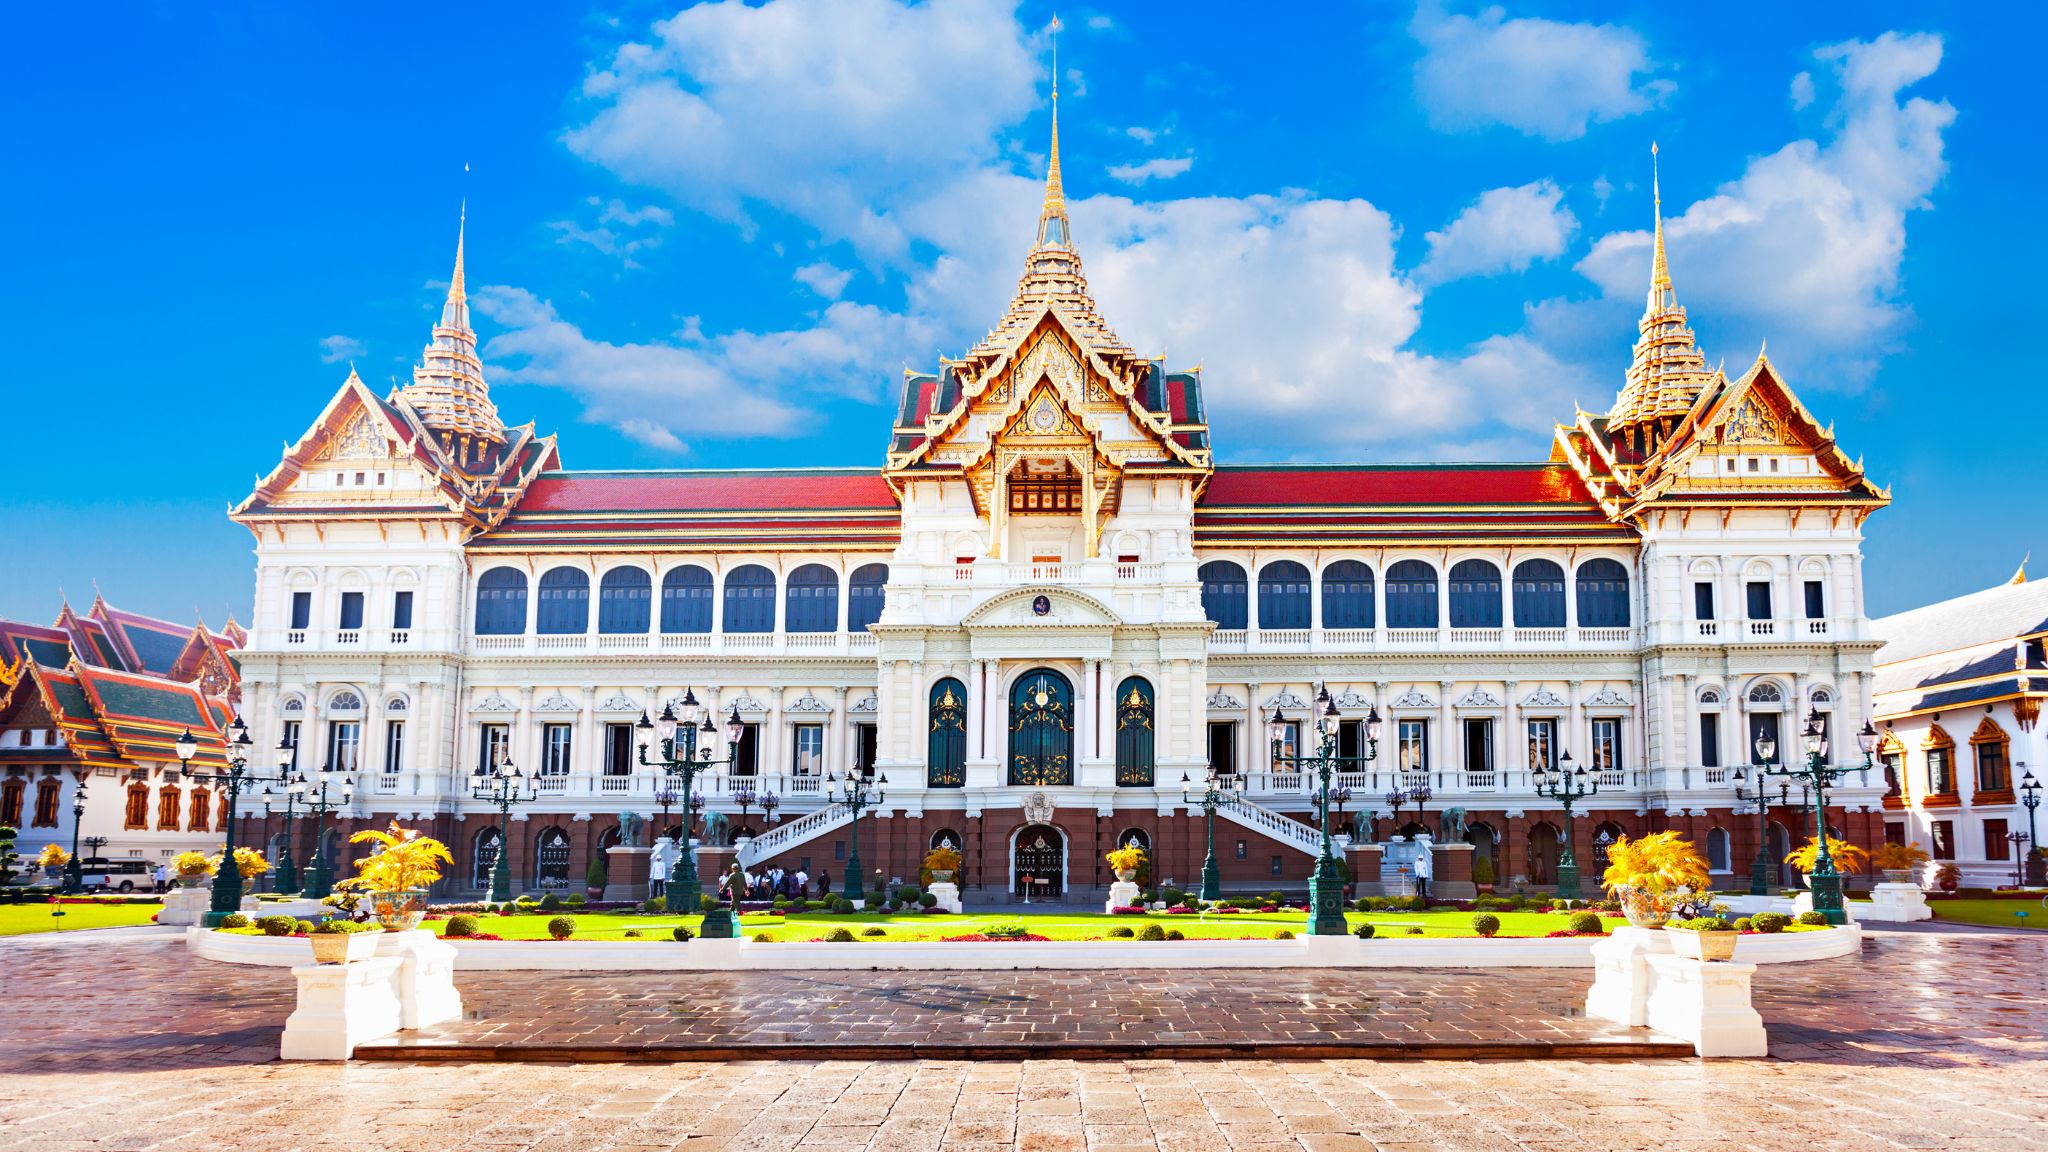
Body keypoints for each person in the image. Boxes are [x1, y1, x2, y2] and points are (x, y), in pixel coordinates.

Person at [1412, 836, 1434, 901]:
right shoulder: (1417, 862)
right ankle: (1418, 893)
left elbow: (1426, 869)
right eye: (1420, 858)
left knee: (1423, 885)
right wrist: (1417, 874)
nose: (1421, 859)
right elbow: (1416, 869)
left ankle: (1424, 894)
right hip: (1419, 875)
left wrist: (1426, 875)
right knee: (1418, 885)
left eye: (1421, 858)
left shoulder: (1424, 862)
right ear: (1418, 858)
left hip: (1423, 875)